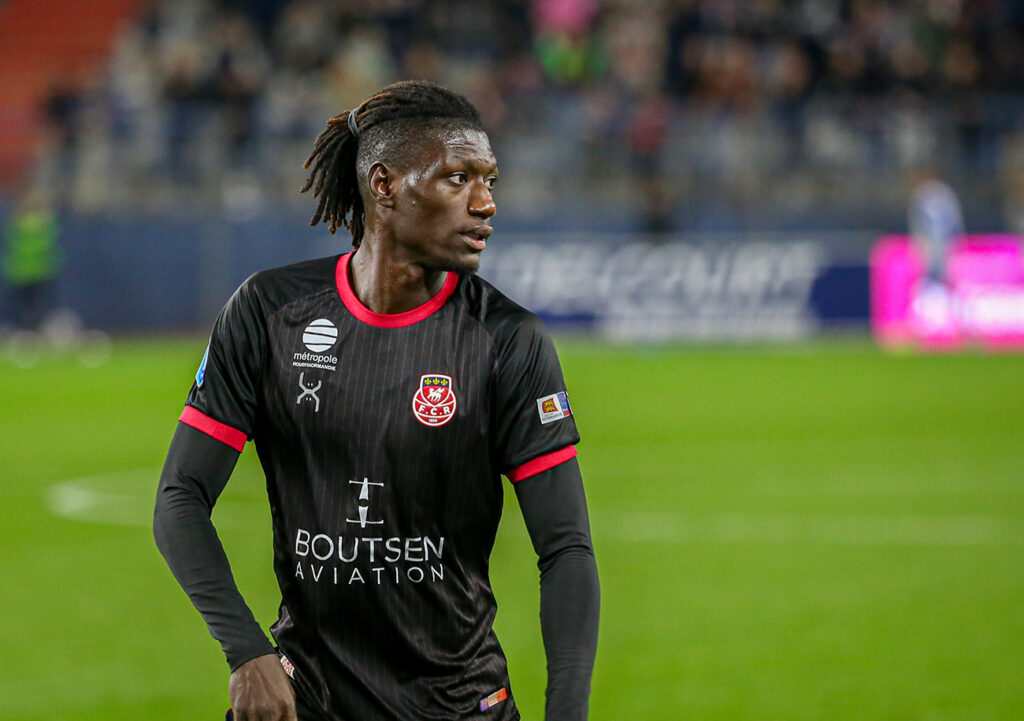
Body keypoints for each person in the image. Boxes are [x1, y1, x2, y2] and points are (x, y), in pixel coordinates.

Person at [154, 80, 600, 721]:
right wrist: (247, 653)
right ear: (384, 185)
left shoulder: (507, 340)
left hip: (458, 705)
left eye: (489, 180)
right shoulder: (270, 313)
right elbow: (180, 497)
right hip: (305, 701)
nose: (485, 203)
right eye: (458, 178)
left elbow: (566, 548)